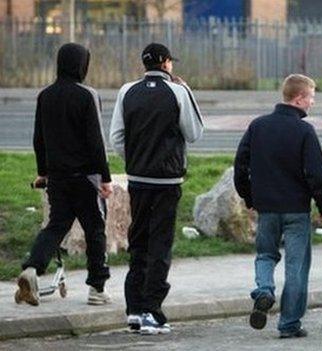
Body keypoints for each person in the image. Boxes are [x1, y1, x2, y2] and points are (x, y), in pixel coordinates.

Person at [109, 43, 204, 335]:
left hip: (138, 180)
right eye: (170, 61)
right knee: (160, 246)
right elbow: (194, 132)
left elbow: (116, 137)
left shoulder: (127, 91)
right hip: (167, 180)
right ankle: (152, 310)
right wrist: (189, 92)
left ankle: (134, 310)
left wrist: (137, 160)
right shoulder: (178, 92)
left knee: (138, 241)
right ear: (164, 63)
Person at [14, 43, 113, 307]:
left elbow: (39, 139)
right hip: (85, 178)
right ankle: (97, 288)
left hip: (57, 177)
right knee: (95, 229)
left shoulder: (45, 95)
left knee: (56, 226)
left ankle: (31, 269)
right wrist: (105, 178)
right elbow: (96, 140)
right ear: (82, 65)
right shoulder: (87, 95)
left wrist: (43, 173)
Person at [234, 73, 322, 339]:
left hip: (267, 208)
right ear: (299, 98)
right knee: (296, 266)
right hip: (297, 210)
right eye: (311, 97)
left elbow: (240, 166)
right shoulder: (304, 131)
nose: (312, 103)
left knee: (265, 254)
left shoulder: (258, 126)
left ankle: (264, 290)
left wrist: (249, 198)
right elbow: (317, 173)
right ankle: (289, 324)